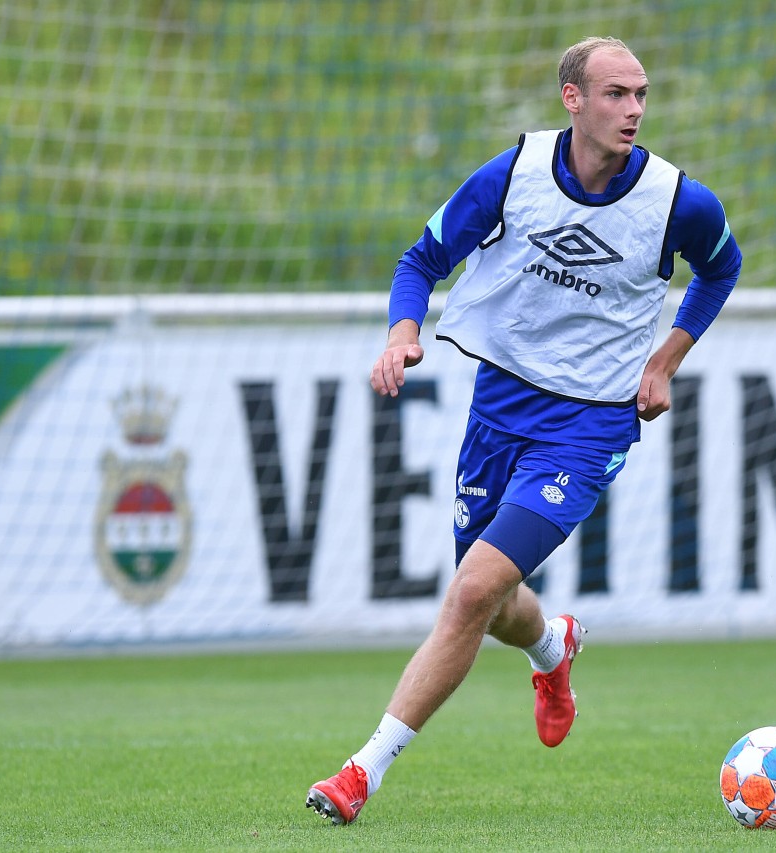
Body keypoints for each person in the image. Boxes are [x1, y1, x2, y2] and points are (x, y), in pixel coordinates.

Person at [305, 36, 741, 825]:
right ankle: (553, 645)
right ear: (572, 99)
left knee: (471, 588)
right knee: (491, 601)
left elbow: (722, 268)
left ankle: (360, 772)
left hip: (591, 422)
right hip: (499, 405)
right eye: (615, 94)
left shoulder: (681, 201)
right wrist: (403, 331)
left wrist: (665, 361)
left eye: (641, 94)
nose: (634, 110)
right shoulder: (515, 174)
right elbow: (422, 256)